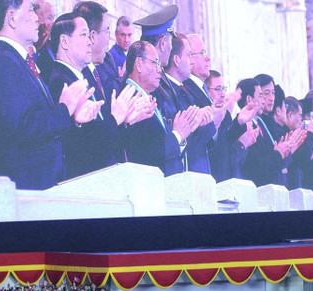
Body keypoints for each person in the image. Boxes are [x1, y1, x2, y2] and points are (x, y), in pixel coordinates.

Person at [0, 0, 102, 190]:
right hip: (30, 184)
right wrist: (64, 109)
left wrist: (72, 118)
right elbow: (24, 127)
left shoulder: (17, 60)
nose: (36, 17)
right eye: (29, 9)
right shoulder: (4, 63)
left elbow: (35, 121)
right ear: (11, 18)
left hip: (41, 180)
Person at [46, 13, 149, 178]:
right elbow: (84, 147)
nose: (90, 41)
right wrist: (115, 119)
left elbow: (102, 136)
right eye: (83, 35)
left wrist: (124, 121)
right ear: (64, 41)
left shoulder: (81, 77)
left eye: (89, 35)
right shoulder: (62, 82)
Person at [120, 41, 199, 176]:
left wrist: (181, 135)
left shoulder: (144, 97)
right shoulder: (131, 99)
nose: (159, 69)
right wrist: (177, 135)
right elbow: (146, 153)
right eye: (155, 62)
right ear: (139, 64)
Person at [157, 33, 215, 174]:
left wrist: (204, 121)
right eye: (189, 55)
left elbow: (205, 133)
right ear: (176, 60)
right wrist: (196, 123)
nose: (192, 62)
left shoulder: (185, 89)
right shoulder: (164, 91)